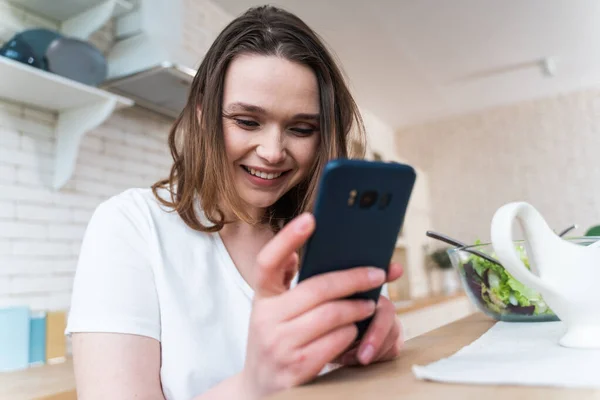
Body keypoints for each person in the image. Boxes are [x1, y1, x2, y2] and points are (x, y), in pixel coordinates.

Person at [66, 5, 404, 400]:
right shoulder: (130, 226)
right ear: (203, 116)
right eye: (247, 121)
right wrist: (255, 383)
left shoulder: (332, 237)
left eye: (301, 128)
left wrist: (378, 349)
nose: (274, 151)